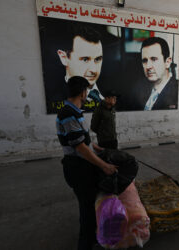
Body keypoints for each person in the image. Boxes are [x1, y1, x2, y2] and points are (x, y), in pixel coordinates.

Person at [56, 76, 118, 250]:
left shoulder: (74, 111)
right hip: (77, 168)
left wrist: (96, 147)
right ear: (83, 92)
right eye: (86, 91)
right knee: (86, 209)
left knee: (90, 206)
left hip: (82, 166)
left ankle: (92, 238)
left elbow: (84, 142)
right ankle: (85, 244)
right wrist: (104, 165)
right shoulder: (69, 114)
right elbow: (80, 148)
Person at [57, 24, 104, 112]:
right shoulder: (55, 97)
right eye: (85, 59)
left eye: (97, 59)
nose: (93, 70)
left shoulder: (111, 91)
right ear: (64, 58)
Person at [141, 37, 178, 110]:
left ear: (167, 62)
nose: (148, 66)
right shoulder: (140, 90)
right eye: (145, 60)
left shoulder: (178, 93)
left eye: (154, 59)